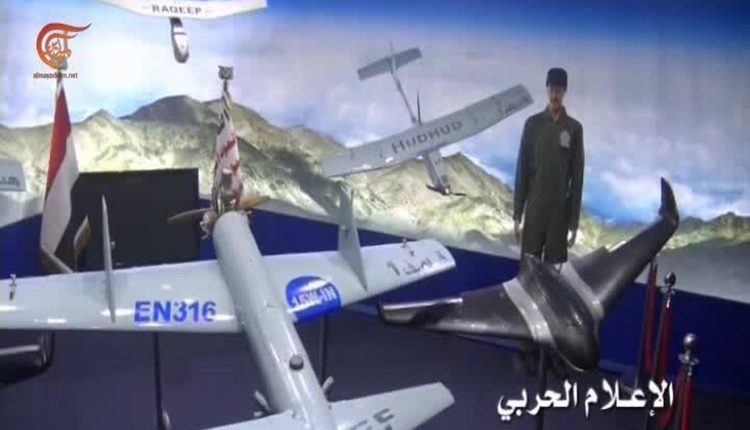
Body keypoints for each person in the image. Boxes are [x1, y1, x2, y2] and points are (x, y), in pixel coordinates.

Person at [513, 67, 584, 264]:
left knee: (554, 273)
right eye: (552, 89)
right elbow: (522, 170)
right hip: (534, 210)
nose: (555, 95)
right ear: (546, 90)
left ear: (564, 92)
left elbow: (577, 179)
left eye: (559, 90)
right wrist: (517, 214)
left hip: (559, 215)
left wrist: (574, 223)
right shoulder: (533, 125)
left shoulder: (574, 129)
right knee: (529, 269)